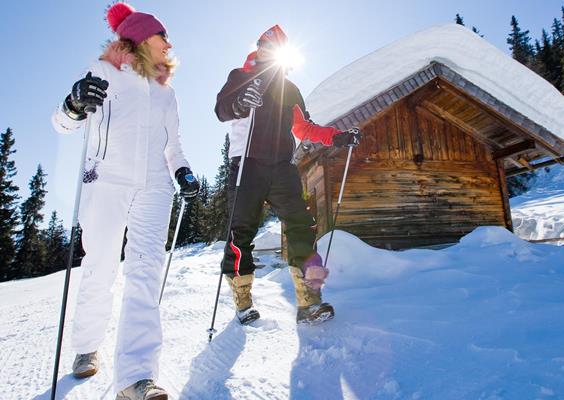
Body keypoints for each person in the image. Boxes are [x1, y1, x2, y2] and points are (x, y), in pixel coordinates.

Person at [51, 3, 199, 399]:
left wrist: (182, 171)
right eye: (161, 36)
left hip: (154, 187)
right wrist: (73, 104)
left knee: (145, 274)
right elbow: (62, 124)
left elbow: (174, 147)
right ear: (139, 39)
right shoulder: (104, 73)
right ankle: (86, 347)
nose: (168, 43)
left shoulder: (167, 93)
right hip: (106, 181)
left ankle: (136, 377)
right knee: (100, 266)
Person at [214, 25, 361, 326]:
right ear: (259, 47)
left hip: (281, 166)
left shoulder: (289, 89)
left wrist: (337, 137)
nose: (271, 53)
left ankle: (309, 301)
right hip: (246, 164)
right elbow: (222, 110)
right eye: (266, 46)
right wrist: (240, 102)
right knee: (240, 233)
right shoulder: (240, 78)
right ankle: (243, 300)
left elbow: (304, 128)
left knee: (301, 226)